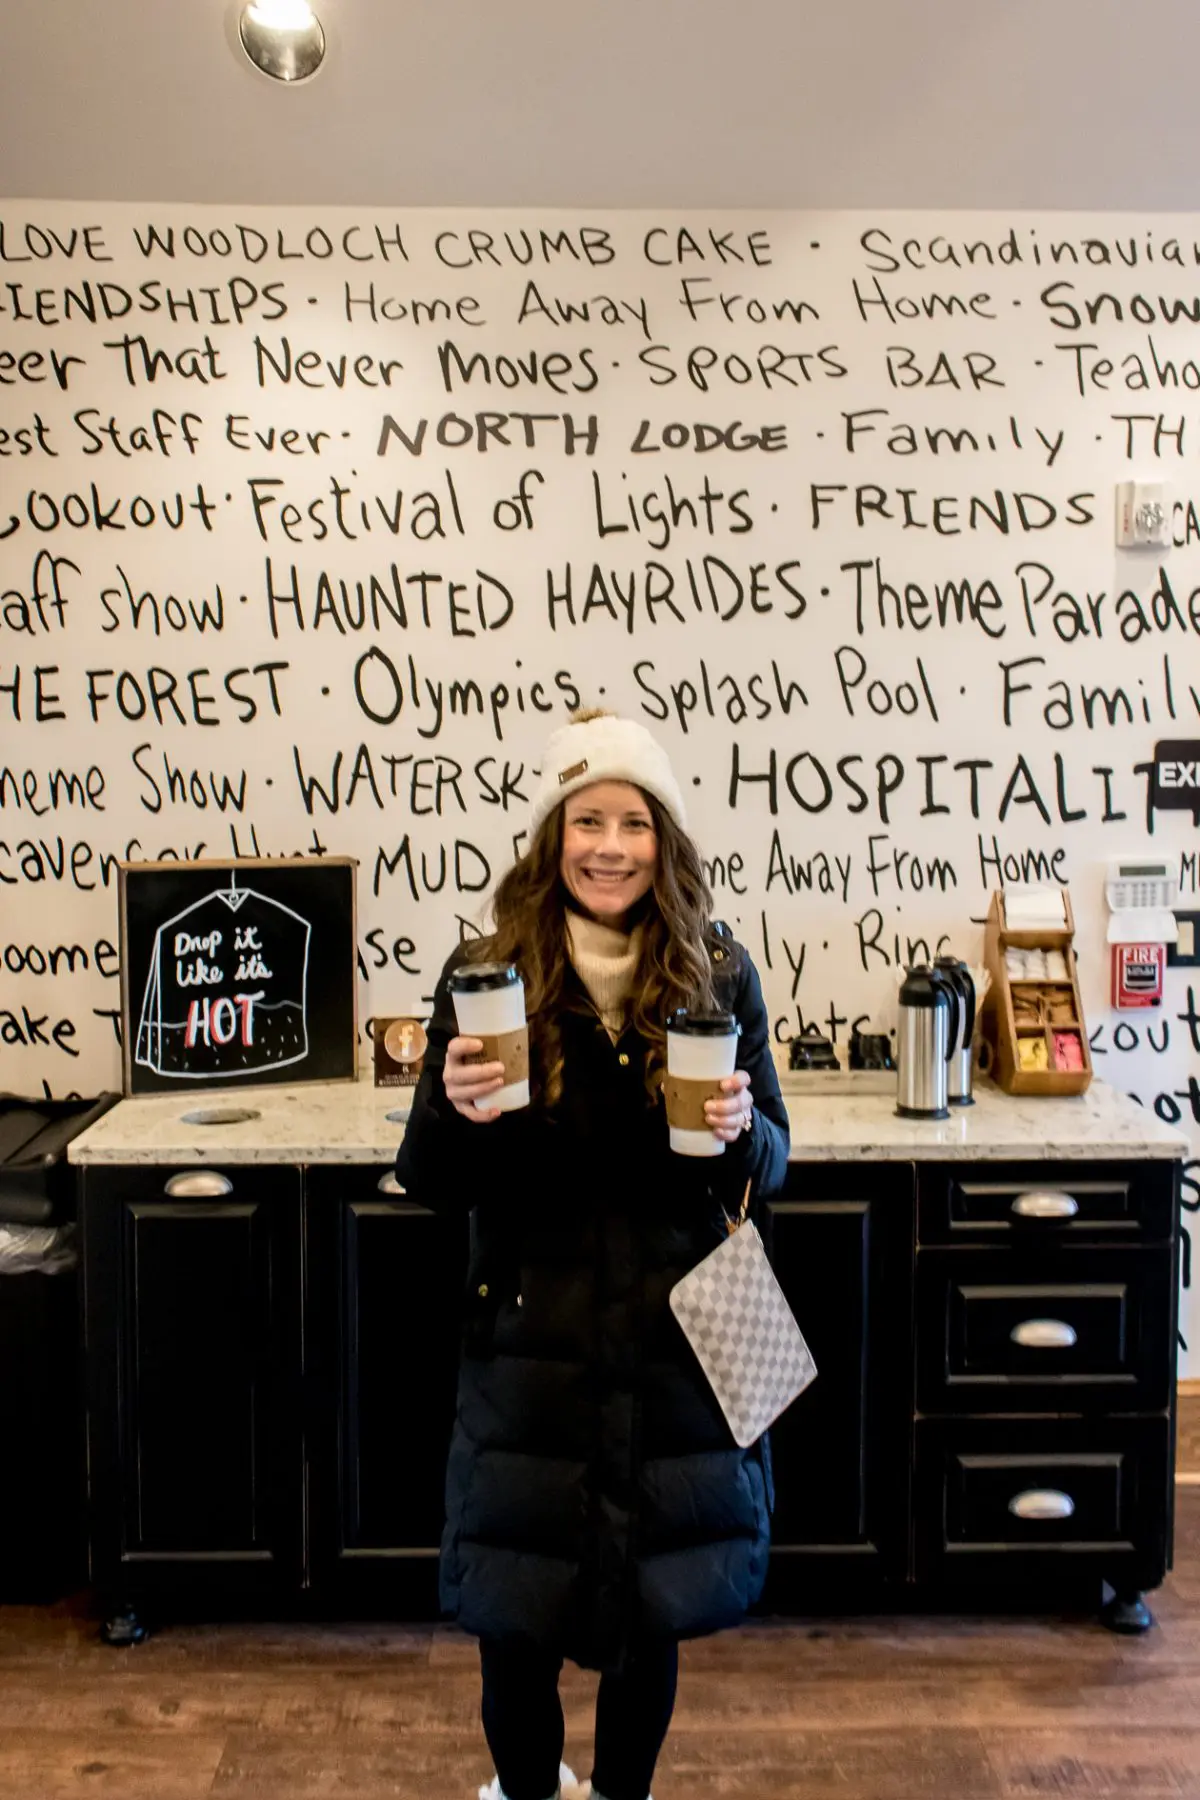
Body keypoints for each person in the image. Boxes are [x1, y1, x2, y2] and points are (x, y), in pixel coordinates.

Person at [396, 710, 790, 1800]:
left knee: (651, 1614)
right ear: (550, 836)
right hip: (533, 1348)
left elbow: (773, 1160)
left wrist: (740, 1132)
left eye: (633, 821)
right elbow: (429, 1175)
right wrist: (453, 1108)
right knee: (514, 1617)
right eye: (586, 820)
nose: (609, 845)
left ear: (664, 840)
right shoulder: (488, 975)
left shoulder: (716, 972)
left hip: (676, 1345)